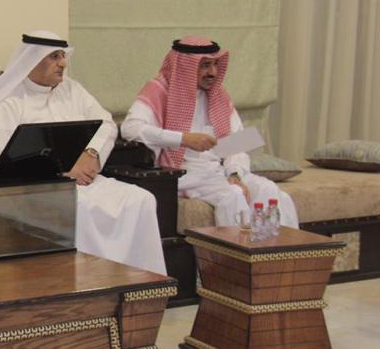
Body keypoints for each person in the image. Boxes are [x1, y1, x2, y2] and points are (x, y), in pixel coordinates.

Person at [0, 30, 167, 275]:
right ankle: (90, 286)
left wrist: (91, 153)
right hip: (37, 189)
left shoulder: (72, 90)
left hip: (84, 180)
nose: (63, 63)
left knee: (141, 199)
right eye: (54, 57)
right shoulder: (9, 101)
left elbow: (106, 123)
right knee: (81, 209)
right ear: (31, 60)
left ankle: (141, 283)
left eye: (63, 55)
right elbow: (5, 159)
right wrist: (60, 170)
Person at [121, 35, 298, 228]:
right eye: (205, 65)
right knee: (233, 195)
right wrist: (183, 139)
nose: (213, 72)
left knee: (269, 190)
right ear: (185, 67)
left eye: (215, 64)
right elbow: (130, 129)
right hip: (182, 174)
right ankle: (236, 248)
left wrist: (235, 174)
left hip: (219, 171)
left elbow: (237, 144)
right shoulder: (158, 90)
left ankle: (273, 247)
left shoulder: (219, 95)